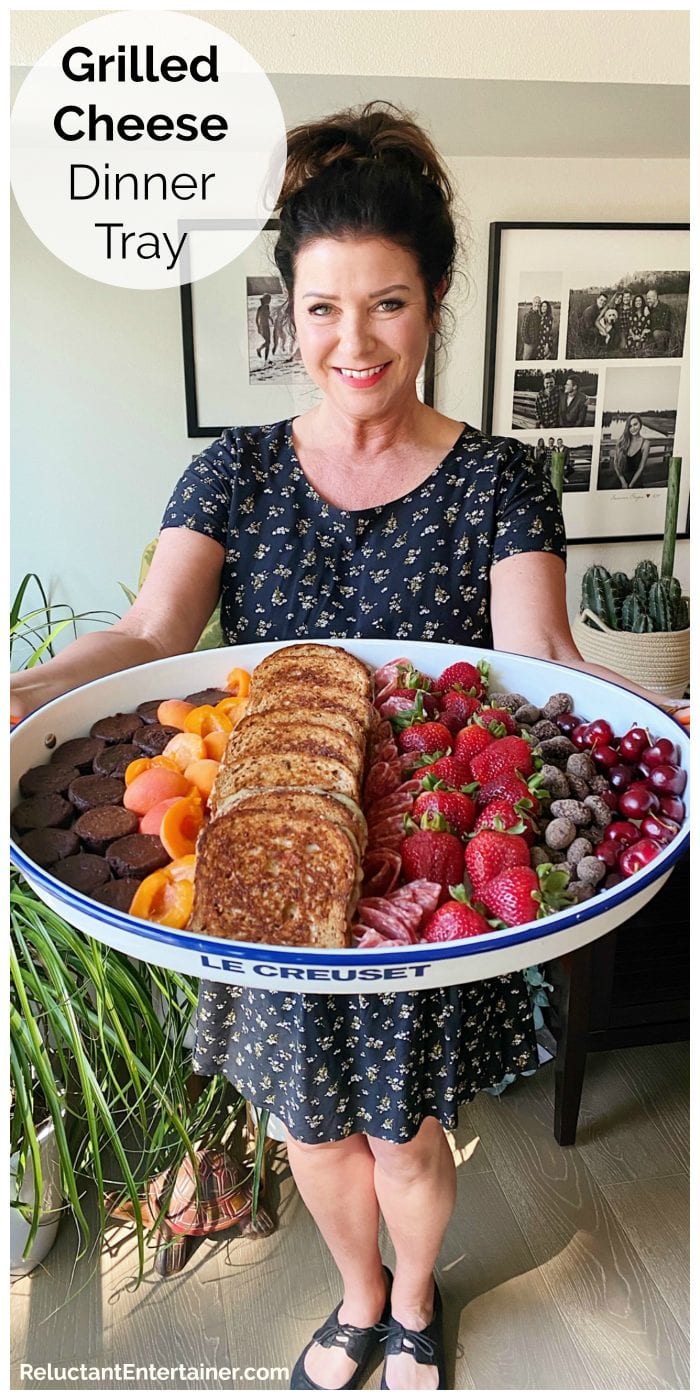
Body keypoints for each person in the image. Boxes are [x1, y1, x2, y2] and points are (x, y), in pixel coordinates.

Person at [10, 102, 688, 1391]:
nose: (352, 340)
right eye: (321, 309)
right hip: (260, 877)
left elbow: (538, 661)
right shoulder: (232, 472)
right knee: (305, 1125)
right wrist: (29, 682)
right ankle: (356, 1292)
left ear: (433, 302)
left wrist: (648, 714)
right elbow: (153, 628)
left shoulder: (502, 477)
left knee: (406, 1131)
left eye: (385, 303)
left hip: (412, 887)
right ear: (288, 314)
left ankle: (417, 1298)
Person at [611, 414, 651, 488]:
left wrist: (630, 485)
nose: (633, 428)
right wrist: (623, 482)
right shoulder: (622, 441)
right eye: (630, 426)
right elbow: (616, 463)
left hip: (635, 481)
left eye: (635, 424)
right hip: (620, 479)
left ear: (640, 424)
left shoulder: (645, 443)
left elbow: (641, 467)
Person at [645, 288, 673, 355]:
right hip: (654, 333)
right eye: (647, 299)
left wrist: (650, 330)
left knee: (656, 333)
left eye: (649, 299)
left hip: (665, 333)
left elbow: (663, 325)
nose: (648, 301)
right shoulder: (649, 308)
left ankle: (662, 353)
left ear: (655, 297)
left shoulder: (664, 308)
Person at [520, 295, 541, 359]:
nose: (537, 304)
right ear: (533, 303)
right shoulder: (528, 315)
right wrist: (527, 341)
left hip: (537, 343)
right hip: (529, 344)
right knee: (526, 360)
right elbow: (523, 330)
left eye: (539, 302)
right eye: (536, 302)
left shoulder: (539, 315)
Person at [255, 292, 273, 362]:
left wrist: (271, 319)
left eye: (270, 300)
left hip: (267, 326)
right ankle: (259, 349)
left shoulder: (267, 307)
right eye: (269, 299)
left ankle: (266, 360)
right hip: (262, 326)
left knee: (268, 343)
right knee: (267, 342)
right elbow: (256, 319)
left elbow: (267, 315)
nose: (270, 301)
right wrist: (258, 327)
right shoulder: (260, 308)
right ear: (265, 299)